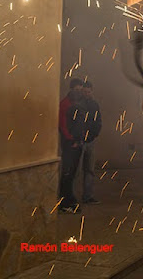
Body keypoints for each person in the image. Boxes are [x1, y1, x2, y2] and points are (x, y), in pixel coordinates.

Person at [58, 78, 87, 213]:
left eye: (80, 90)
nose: (79, 92)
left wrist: (81, 138)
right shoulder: (65, 104)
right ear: (71, 89)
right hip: (70, 144)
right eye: (77, 90)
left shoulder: (78, 103)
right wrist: (71, 139)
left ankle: (69, 199)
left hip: (77, 143)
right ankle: (64, 203)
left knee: (72, 173)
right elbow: (63, 125)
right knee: (67, 173)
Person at [81, 81, 102, 204]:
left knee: (89, 170)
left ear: (91, 91)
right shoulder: (78, 104)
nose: (87, 94)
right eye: (85, 92)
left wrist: (94, 134)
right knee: (76, 171)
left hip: (90, 140)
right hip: (79, 141)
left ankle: (87, 196)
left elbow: (98, 120)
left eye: (88, 92)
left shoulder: (94, 104)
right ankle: (70, 198)